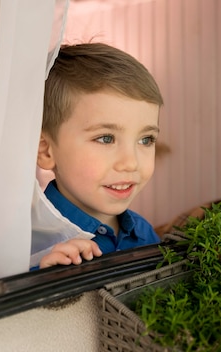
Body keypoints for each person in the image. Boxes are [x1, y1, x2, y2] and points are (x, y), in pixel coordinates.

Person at [34, 43, 164, 269]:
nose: (131, 163)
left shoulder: (144, 233)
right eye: (106, 138)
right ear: (46, 150)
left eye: (146, 140)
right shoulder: (27, 245)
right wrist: (43, 282)